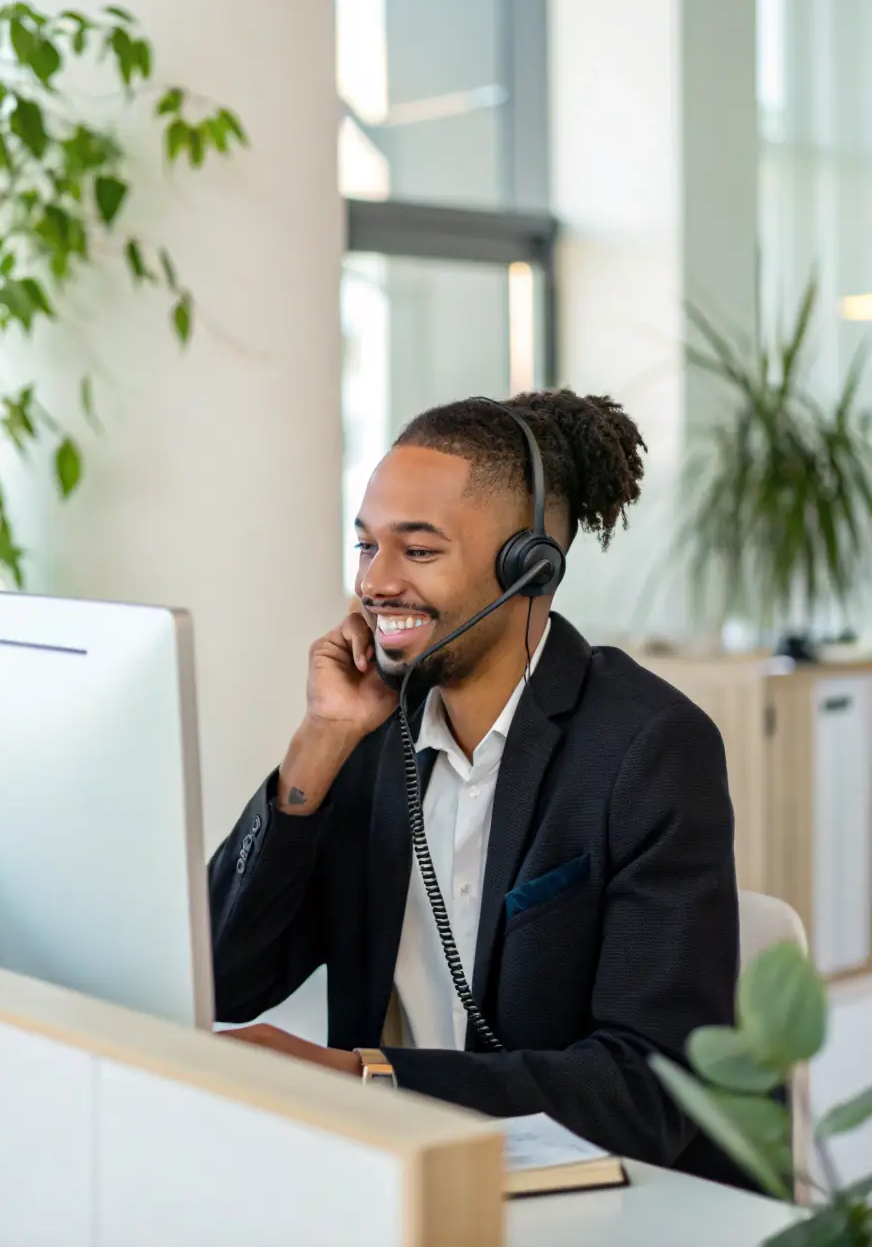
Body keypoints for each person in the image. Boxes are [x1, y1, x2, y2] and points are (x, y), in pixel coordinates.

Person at [209, 390, 739, 1178]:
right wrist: (318, 740)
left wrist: (367, 1078)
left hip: (601, 1200)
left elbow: (651, 1086)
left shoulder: (648, 748)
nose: (376, 583)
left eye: (417, 551)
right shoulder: (371, 734)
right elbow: (226, 975)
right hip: (395, 1186)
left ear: (530, 568)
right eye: (366, 547)